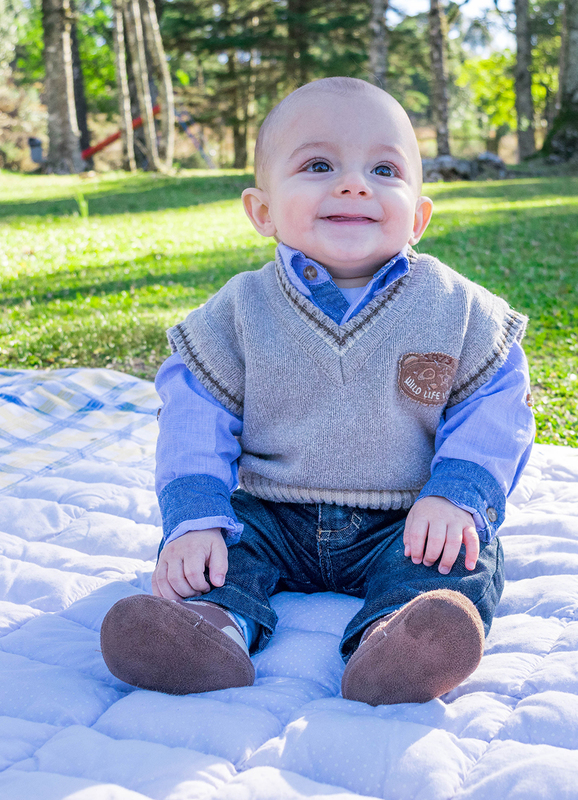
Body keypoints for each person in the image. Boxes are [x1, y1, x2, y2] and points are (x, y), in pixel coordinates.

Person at [100, 76, 535, 706]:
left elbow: (495, 406)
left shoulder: (458, 311)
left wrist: (457, 496)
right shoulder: (238, 313)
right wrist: (193, 518)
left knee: (456, 559)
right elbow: (195, 418)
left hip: (408, 516)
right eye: (319, 165)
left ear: (418, 215)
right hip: (273, 508)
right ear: (263, 210)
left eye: (384, 168)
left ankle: (399, 642)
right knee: (219, 553)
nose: (354, 184)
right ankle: (206, 631)